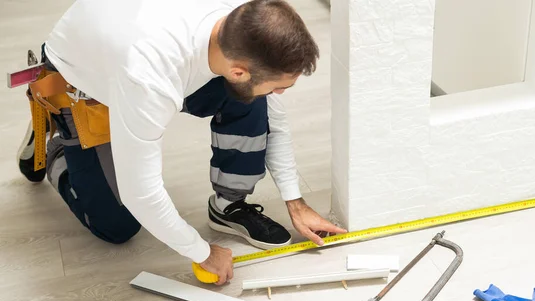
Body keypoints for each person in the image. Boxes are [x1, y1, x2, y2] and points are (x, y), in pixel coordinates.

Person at [16, 0, 346, 285]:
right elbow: (140, 193)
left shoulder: (244, 21)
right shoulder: (149, 78)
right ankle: (57, 139)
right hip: (82, 75)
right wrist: (201, 252)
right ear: (238, 70)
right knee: (116, 226)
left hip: (131, 52)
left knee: (252, 99)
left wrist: (295, 201)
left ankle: (229, 204)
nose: (281, 94)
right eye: (279, 86)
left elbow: (275, 118)